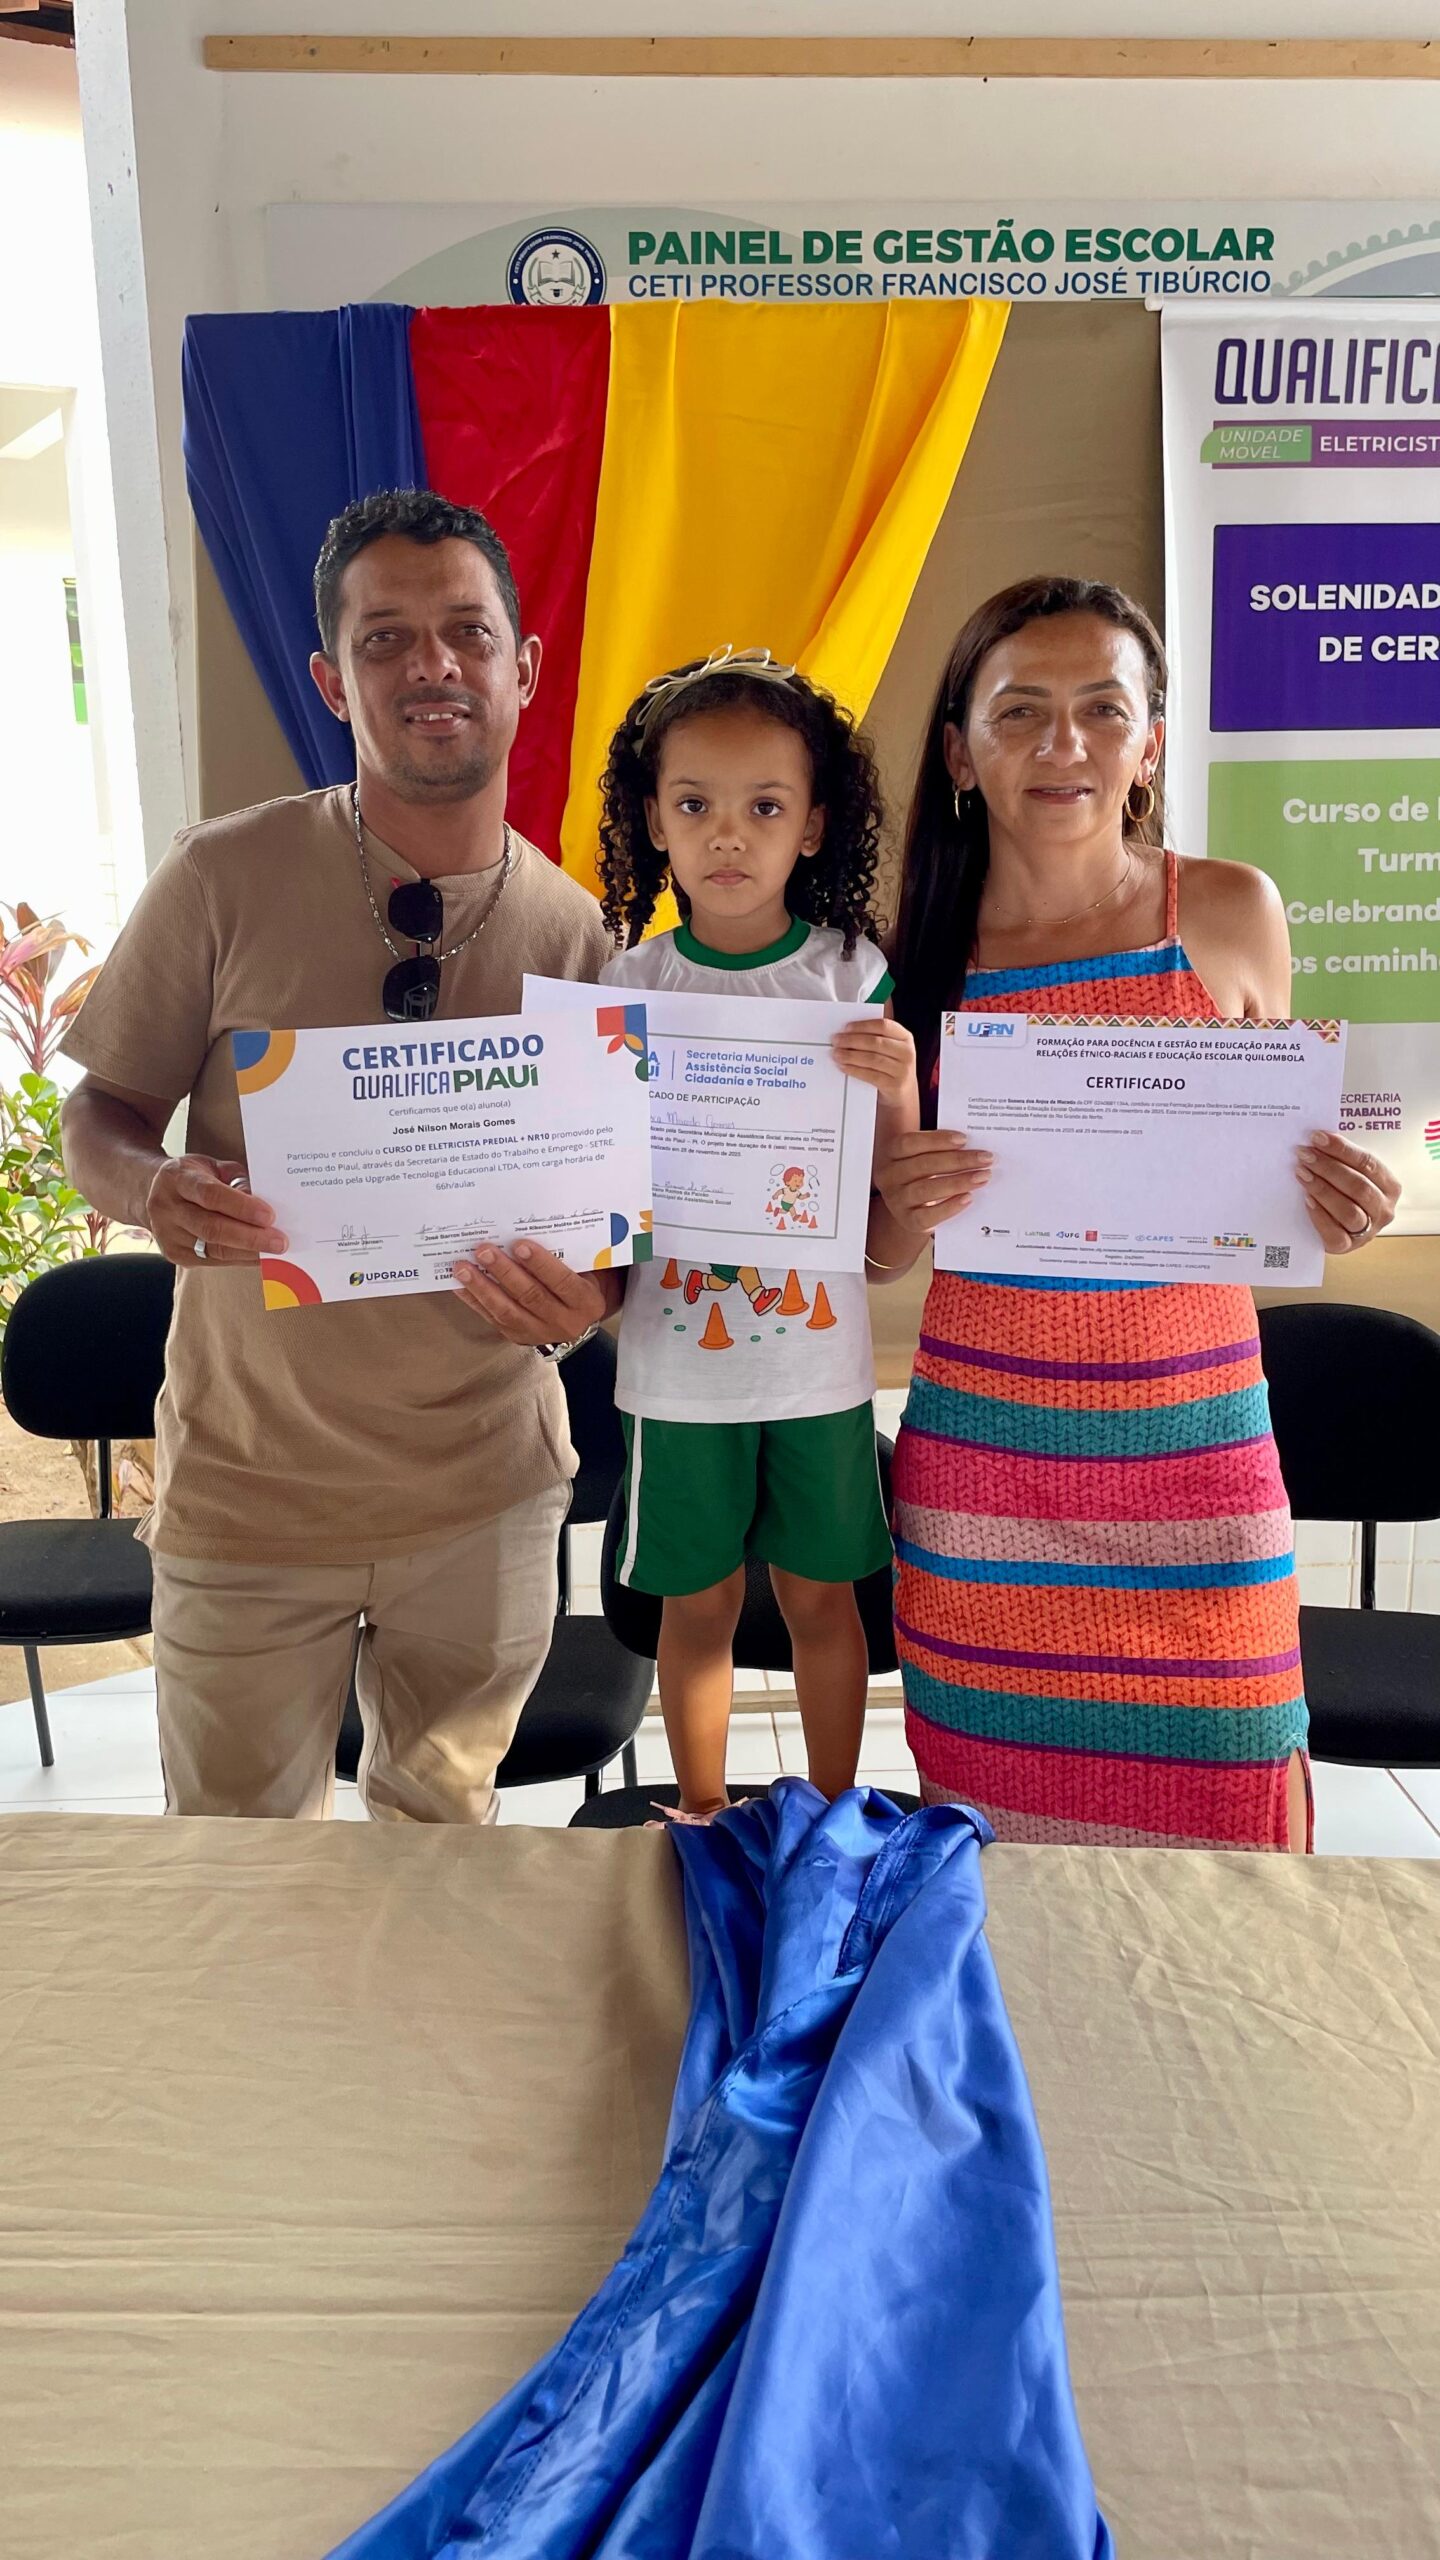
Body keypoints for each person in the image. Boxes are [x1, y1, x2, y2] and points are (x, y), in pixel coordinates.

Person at [61, 489, 618, 1822]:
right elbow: (100, 1116)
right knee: (241, 1870)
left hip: (484, 1497)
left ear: (524, 668)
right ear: (331, 680)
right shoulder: (223, 876)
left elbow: (612, 1246)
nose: (433, 665)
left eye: (467, 632)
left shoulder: (578, 938)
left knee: (439, 1850)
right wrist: (151, 1188)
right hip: (247, 1494)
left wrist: (584, 1300)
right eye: (386, 639)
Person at [868, 576, 1400, 1853]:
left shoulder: (1228, 912)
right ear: (960, 752)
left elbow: (1265, 1184)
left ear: (1150, 743)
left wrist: (1340, 1204)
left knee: (1232, 1869)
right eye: (1020, 711)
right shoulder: (906, 957)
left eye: (1104, 709)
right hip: (986, 1487)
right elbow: (882, 1255)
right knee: (1003, 1882)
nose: (1065, 743)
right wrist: (899, 1203)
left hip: (1199, 1469)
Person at [588, 647, 913, 1817]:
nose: (728, 834)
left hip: (817, 1365)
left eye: (765, 807)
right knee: (700, 1604)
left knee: (825, 1599)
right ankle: (703, 1809)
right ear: (654, 823)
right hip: (678, 1374)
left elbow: (890, 1190)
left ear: (814, 825)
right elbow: (594, 1188)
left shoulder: (851, 975)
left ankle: (832, 1811)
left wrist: (899, 1083)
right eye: (695, 805)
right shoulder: (624, 986)